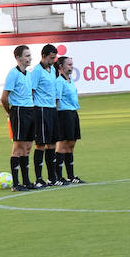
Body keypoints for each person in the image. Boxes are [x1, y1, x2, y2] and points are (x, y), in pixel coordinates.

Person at [1, 45, 36, 190]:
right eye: (27, 55)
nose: (30, 58)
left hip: (30, 111)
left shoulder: (28, 74)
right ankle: (16, 184)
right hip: (19, 112)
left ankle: (26, 181)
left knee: (27, 148)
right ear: (18, 58)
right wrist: (9, 112)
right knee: (18, 147)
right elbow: (4, 98)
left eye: (30, 55)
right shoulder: (13, 74)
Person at [29, 44, 61, 186]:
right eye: (51, 57)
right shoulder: (37, 71)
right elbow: (32, 91)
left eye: (55, 58)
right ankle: (39, 179)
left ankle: (52, 177)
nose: (54, 60)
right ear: (43, 56)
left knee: (52, 144)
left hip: (51, 110)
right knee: (40, 144)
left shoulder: (53, 69)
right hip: (40, 110)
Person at [53, 55, 84, 184]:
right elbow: (56, 100)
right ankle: (58, 177)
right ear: (61, 67)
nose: (72, 67)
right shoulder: (59, 82)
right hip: (63, 114)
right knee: (62, 144)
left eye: (72, 64)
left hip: (73, 113)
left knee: (71, 144)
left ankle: (71, 176)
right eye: (69, 65)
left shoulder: (70, 80)